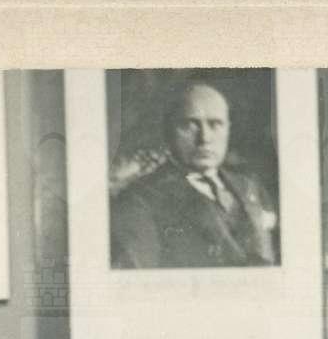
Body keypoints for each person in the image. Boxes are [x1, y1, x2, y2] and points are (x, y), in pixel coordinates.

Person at [110, 78, 278, 270]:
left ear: (228, 129)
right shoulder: (140, 200)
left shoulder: (249, 186)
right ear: (168, 130)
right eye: (190, 125)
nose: (204, 138)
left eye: (215, 124)